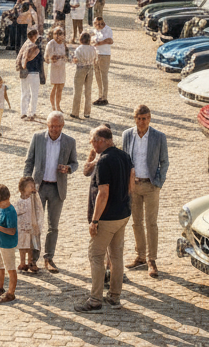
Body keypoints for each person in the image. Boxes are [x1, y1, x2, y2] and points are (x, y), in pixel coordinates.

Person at [76, 124, 134, 312]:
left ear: (101, 141)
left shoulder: (104, 161)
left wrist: (94, 221)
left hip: (107, 218)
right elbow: (131, 181)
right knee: (116, 256)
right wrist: (125, 202)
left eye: (92, 141)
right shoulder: (125, 156)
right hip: (123, 214)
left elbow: (103, 193)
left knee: (96, 255)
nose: (91, 145)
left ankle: (95, 299)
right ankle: (114, 296)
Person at [23, 111, 79, 273]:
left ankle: (48, 258)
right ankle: (33, 260)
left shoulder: (70, 141)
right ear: (47, 125)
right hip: (38, 187)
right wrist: (26, 183)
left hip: (57, 188)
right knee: (36, 225)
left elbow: (75, 163)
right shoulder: (38, 138)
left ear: (63, 125)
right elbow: (29, 161)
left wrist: (68, 168)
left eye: (57, 126)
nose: (54, 129)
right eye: (51, 125)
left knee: (53, 226)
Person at [121, 105, 169, 279]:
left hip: (150, 185)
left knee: (151, 224)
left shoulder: (159, 137)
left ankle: (152, 259)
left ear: (149, 118)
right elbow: (125, 158)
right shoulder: (127, 135)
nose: (141, 122)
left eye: (145, 118)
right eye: (139, 118)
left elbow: (164, 161)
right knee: (136, 222)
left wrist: (159, 182)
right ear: (134, 118)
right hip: (133, 185)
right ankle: (140, 255)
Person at [14, 176, 43, 274]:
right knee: (22, 246)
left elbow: (39, 209)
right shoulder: (19, 200)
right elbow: (15, 211)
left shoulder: (34, 198)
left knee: (30, 245)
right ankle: (22, 262)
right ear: (23, 188)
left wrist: (38, 223)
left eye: (33, 186)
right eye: (29, 186)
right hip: (21, 227)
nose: (32, 187)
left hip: (31, 226)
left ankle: (30, 261)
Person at [16, 27, 43, 121]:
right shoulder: (35, 47)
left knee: (24, 93)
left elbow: (19, 59)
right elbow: (40, 60)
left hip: (24, 72)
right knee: (34, 94)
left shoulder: (25, 45)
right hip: (34, 72)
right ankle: (31, 113)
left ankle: (23, 112)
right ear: (34, 36)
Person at [70, 30, 97, 120]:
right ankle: (87, 112)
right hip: (90, 68)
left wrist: (72, 58)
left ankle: (75, 112)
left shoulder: (79, 49)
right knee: (88, 91)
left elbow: (76, 60)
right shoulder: (92, 49)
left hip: (81, 68)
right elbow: (95, 59)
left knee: (78, 91)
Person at [45, 26, 68, 113]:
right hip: (54, 67)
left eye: (60, 34)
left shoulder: (63, 44)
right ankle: (53, 106)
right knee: (54, 87)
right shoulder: (51, 44)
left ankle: (58, 106)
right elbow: (51, 57)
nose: (58, 36)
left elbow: (66, 55)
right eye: (56, 34)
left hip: (61, 67)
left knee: (60, 87)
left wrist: (62, 57)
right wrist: (59, 57)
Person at [92, 15, 114, 105]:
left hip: (104, 55)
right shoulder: (95, 30)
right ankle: (100, 95)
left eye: (99, 24)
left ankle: (104, 97)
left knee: (103, 76)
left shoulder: (107, 30)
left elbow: (110, 41)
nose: (98, 26)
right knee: (97, 75)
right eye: (96, 24)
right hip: (96, 54)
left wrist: (99, 43)